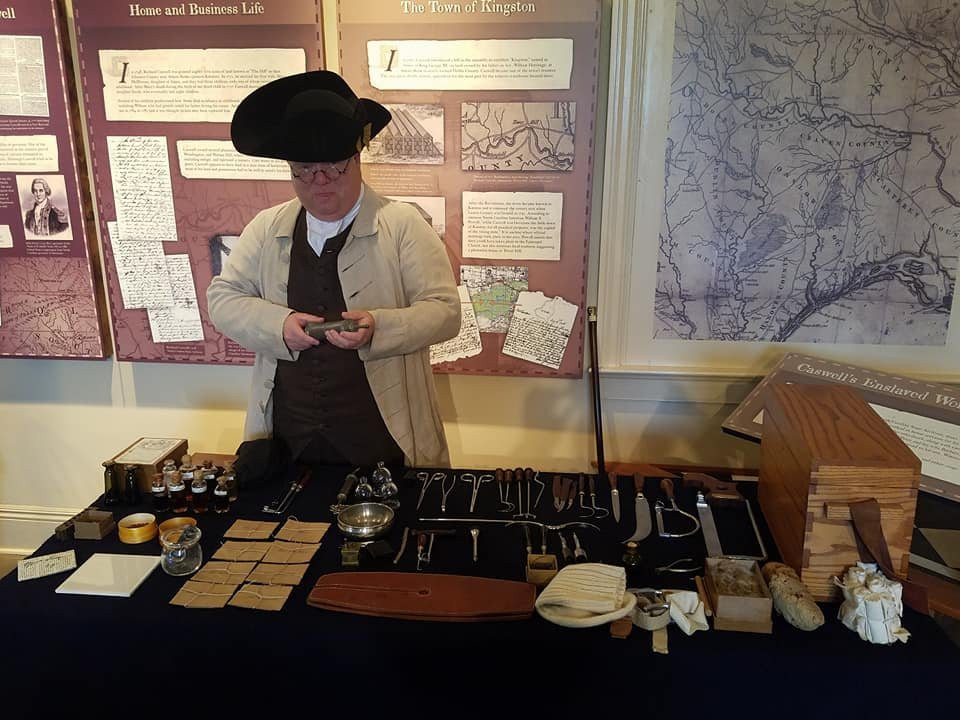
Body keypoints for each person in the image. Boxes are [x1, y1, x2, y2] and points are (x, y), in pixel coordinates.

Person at [207, 70, 460, 469]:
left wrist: (379, 327)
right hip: (288, 437)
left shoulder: (403, 224)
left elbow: (445, 312)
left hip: (381, 434)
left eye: (334, 167)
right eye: (304, 171)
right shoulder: (267, 227)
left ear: (356, 158)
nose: (320, 182)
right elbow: (223, 298)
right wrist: (278, 325)